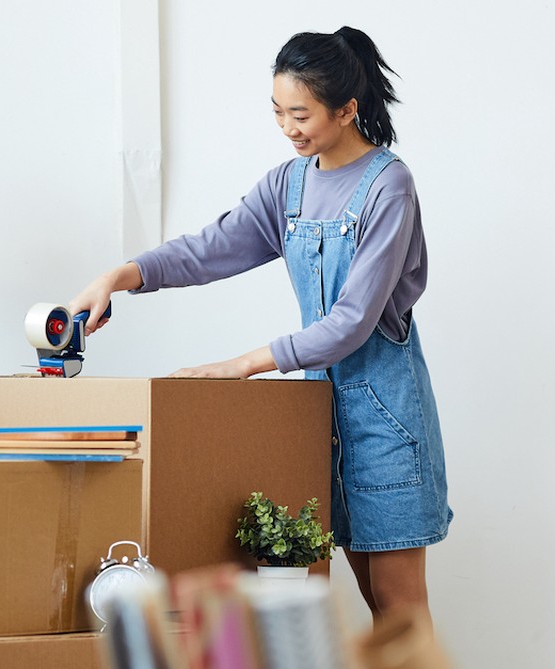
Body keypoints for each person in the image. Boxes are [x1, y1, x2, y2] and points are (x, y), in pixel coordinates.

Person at [69, 26, 452, 624]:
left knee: (400, 610)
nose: (288, 128)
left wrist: (240, 366)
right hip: (318, 419)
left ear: (346, 109)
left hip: (386, 421)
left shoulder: (388, 186)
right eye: (278, 112)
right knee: (370, 607)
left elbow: (352, 322)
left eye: (301, 114)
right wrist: (119, 276)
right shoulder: (288, 186)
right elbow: (211, 248)